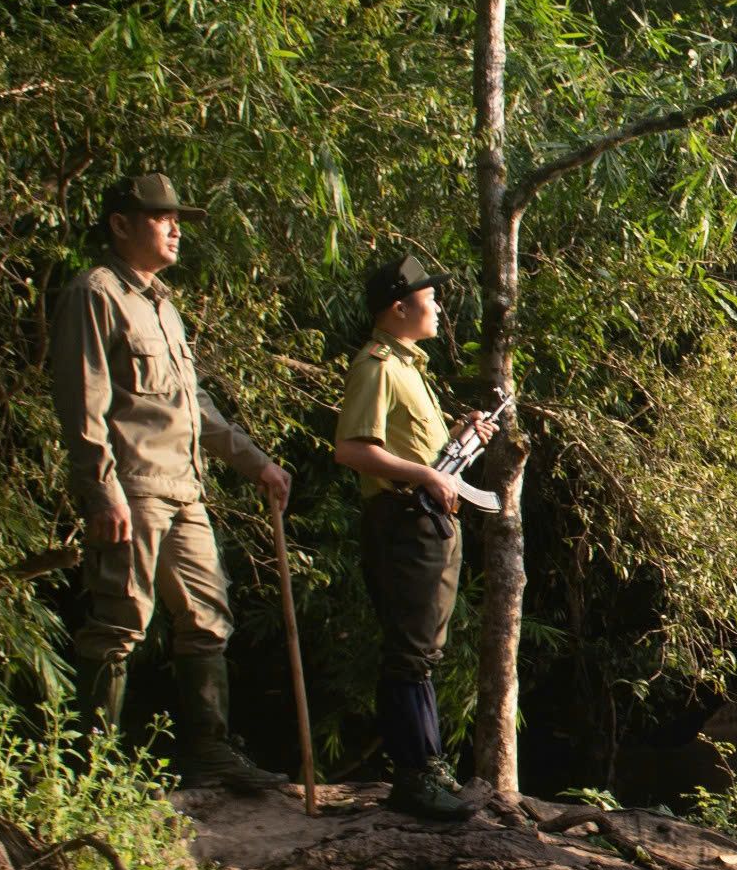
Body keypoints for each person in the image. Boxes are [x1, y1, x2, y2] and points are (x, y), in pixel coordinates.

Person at [52, 173, 292, 791]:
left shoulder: (163, 305)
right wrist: (101, 491)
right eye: (162, 218)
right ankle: (89, 773)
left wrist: (257, 462)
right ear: (121, 224)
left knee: (208, 616)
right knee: (120, 620)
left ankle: (209, 752)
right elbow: (83, 405)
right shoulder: (95, 294)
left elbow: (196, 407)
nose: (175, 229)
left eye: (177, 219)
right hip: (132, 486)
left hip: (185, 488)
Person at [332, 255, 496, 822]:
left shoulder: (409, 367)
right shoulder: (377, 366)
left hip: (425, 522)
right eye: (431, 298)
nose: (439, 307)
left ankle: (428, 767)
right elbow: (352, 449)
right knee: (409, 653)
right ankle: (414, 776)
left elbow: (415, 452)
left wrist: (457, 439)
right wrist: (427, 474)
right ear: (399, 307)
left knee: (423, 652)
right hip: (402, 522)